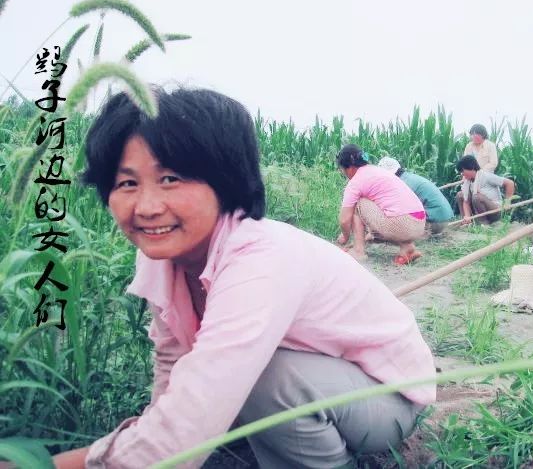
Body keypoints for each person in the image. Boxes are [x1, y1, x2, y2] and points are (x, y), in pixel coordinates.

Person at [51, 88, 436, 468]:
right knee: (214, 392)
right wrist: (157, 427)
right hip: (318, 378)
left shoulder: (259, 257)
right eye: (127, 183)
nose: (147, 207)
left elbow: (189, 425)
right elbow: (173, 360)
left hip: (389, 396)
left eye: (170, 179)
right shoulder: (161, 253)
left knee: (262, 380)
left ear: (225, 181)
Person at [336, 144, 426, 265]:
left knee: (357, 204)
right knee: (382, 208)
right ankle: (407, 247)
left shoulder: (355, 182)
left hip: (403, 224)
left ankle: (358, 251)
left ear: (349, 167)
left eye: (342, 169)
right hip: (420, 224)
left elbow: (344, 220)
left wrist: (345, 237)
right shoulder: (377, 170)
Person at [378, 156, 454, 235]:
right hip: (444, 218)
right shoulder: (408, 177)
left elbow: (401, 210)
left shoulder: (402, 184)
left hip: (436, 222)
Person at [455, 155, 515, 225]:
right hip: (479, 210)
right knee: (460, 195)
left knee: (477, 197)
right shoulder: (468, 181)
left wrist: (507, 203)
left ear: (471, 167)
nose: (462, 174)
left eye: (462, 171)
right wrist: (467, 216)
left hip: (495, 210)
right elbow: (466, 201)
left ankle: (484, 224)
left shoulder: (486, 176)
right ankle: (466, 222)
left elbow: (510, 183)